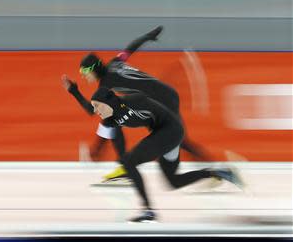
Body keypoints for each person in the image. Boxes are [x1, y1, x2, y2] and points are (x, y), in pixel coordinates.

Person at [62, 25, 213, 184]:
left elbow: (92, 110)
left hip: (162, 100)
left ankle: (122, 165)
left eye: (85, 73)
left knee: (176, 138)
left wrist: (74, 91)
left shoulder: (106, 84)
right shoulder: (115, 63)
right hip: (168, 94)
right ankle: (123, 164)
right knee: (174, 137)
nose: (85, 78)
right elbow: (130, 48)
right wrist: (148, 36)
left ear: (94, 69)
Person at [89, 87, 243, 222]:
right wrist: (100, 152)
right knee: (173, 181)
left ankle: (148, 211)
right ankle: (219, 172)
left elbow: (157, 104)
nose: (95, 111)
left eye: (96, 106)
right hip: (164, 134)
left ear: (107, 102)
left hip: (171, 131)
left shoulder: (133, 101)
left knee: (129, 162)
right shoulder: (109, 121)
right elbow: (115, 145)